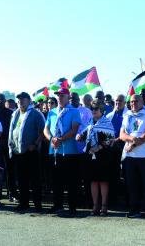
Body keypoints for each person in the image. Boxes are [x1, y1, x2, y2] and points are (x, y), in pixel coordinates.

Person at [43, 88, 82, 216]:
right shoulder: (52, 112)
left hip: (70, 152)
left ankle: (72, 207)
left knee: (71, 181)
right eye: (58, 95)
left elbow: (74, 129)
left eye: (62, 95)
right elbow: (46, 129)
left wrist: (60, 139)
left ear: (68, 97)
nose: (59, 97)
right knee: (56, 180)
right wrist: (52, 139)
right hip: (54, 151)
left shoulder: (74, 111)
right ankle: (57, 205)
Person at [120, 93, 145, 219]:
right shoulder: (127, 115)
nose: (133, 104)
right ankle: (134, 210)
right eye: (131, 102)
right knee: (132, 184)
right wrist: (132, 139)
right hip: (130, 157)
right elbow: (122, 135)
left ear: (142, 102)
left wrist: (132, 144)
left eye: (135, 101)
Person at [77, 99, 116, 215]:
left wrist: (99, 147)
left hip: (104, 156)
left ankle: (104, 206)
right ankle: (95, 206)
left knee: (103, 181)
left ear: (102, 110)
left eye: (96, 109)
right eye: (92, 108)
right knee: (93, 181)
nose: (93, 111)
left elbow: (110, 139)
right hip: (90, 155)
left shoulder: (107, 122)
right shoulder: (90, 122)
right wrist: (80, 136)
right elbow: (85, 134)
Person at [9, 92, 45, 212]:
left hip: (31, 151)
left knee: (35, 179)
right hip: (18, 152)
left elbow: (42, 132)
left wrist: (35, 144)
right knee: (21, 179)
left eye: (23, 99)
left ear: (29, 101)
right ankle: (24, 203)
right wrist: (11, 146)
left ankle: (37, 204)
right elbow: (12, 131)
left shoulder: (36, 114)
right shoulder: (15, 114)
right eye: (19, 100)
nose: (20, 102)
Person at [0, 93, 14, 202]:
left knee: (10, 170)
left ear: (5, 100)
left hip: (7, 145)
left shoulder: (10, 113)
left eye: (2, 99)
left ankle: (12, 193)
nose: (0, 101)